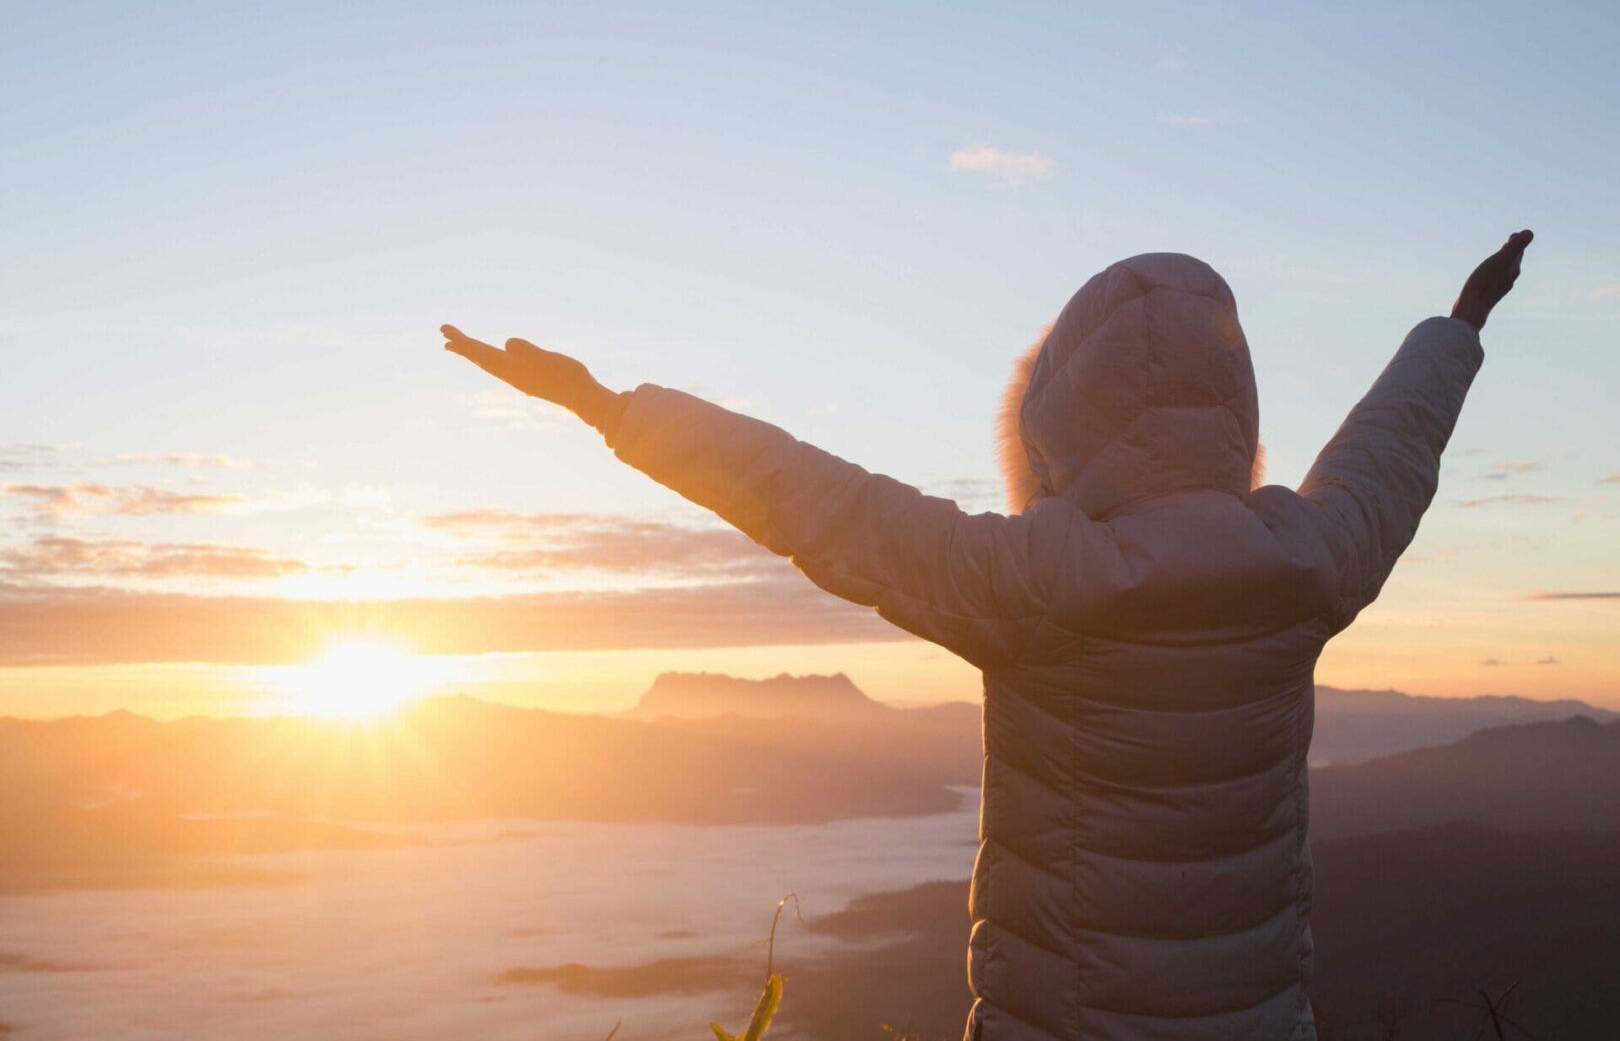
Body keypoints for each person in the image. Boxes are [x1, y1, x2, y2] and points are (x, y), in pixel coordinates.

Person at [442, 230, 1532, 1041]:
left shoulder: (1031, 584)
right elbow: (1391, 449)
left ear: (1058, 428)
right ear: (1236, 415)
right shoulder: (1307, 561)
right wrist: (1458, 328)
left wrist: (612, 410)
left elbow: (815, 501)